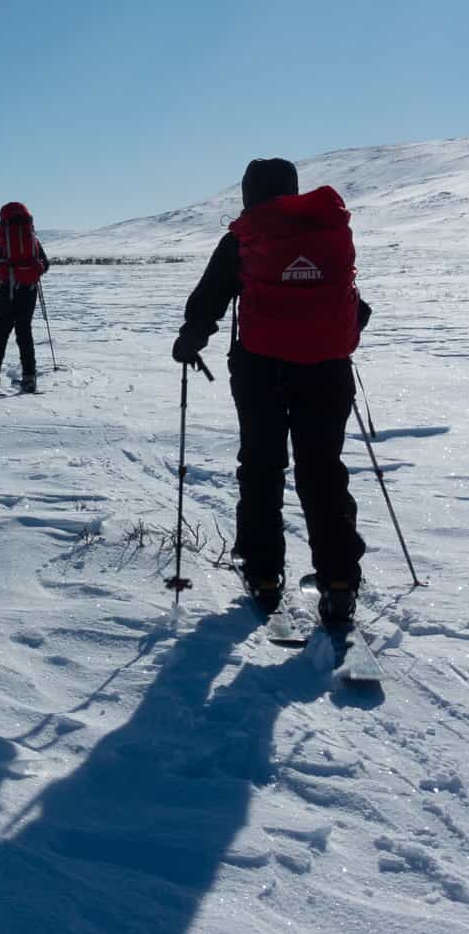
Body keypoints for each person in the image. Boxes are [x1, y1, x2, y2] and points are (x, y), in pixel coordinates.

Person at [172, 158, 373, 629]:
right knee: (323, 472)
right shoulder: (327, 230)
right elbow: (353, 303)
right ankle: (340, 583)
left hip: (260, 369)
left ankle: (264, 575)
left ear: (249, 193)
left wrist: (190, 338)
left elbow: (210, 296)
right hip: (327, 370)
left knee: (262, 466)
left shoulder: (245, 236)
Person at [0, 202, 48, 393]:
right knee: (24, 333)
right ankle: (29, 378)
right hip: (28, 291)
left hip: (7, 292)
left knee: (0, 334)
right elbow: (46, 264)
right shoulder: (34, 241)